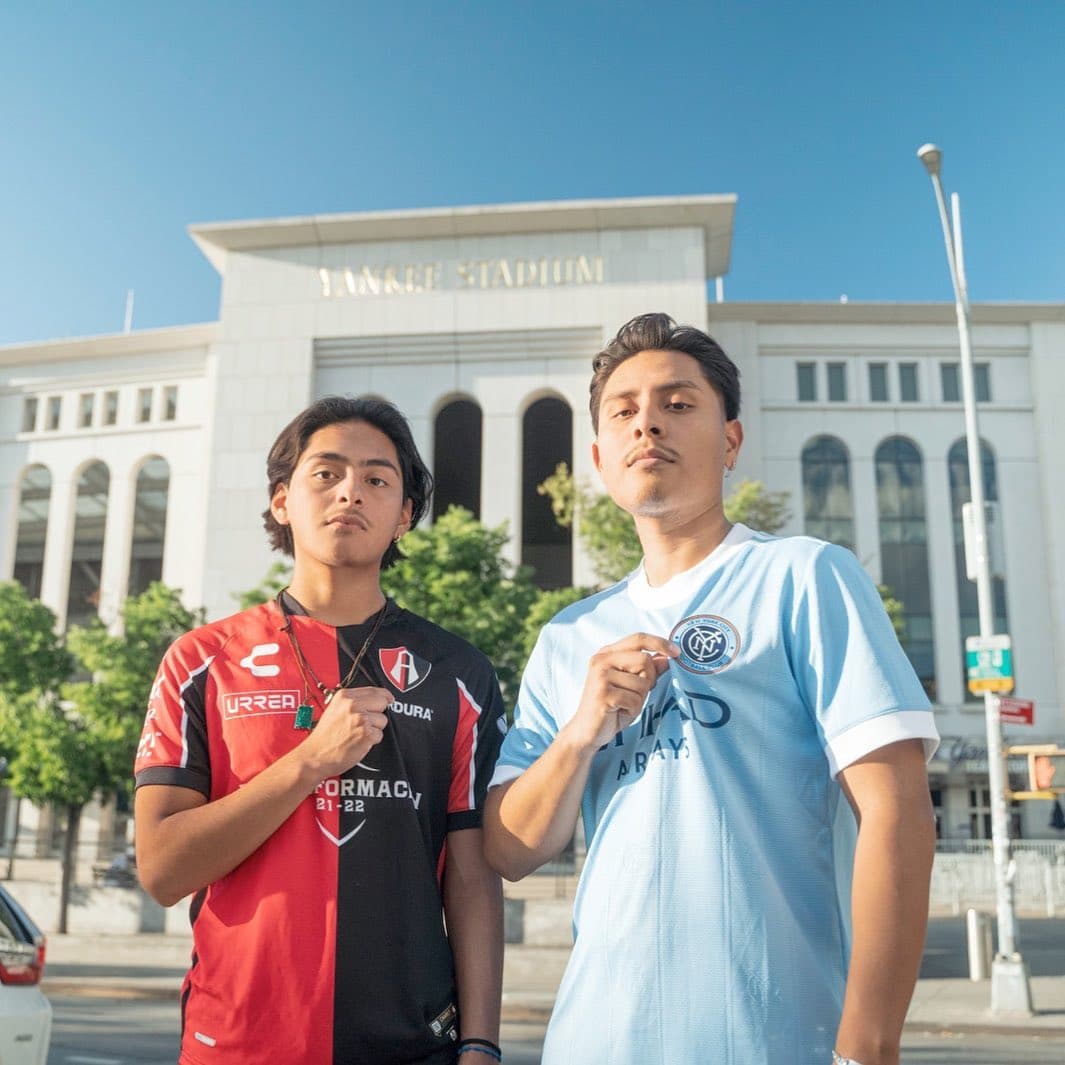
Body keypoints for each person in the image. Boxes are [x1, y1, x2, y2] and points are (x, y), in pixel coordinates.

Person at [483, 314, 940, 1065]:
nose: (647, 423)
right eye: (623, 411)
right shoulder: (569, 635)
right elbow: (507, 848)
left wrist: (867, 1046)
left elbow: (897, 808)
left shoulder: (803, 575)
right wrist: (580, 732)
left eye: (677, 403)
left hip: (776, 1038)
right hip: (594, 1040)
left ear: (730, 441)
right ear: (599, 459)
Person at [134, 396, 506, 1065]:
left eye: (376, 478)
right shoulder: (202, 661)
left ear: (405, 516)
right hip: (237, 1043)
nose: (349, 492)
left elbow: (473, 877)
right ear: (282, 500)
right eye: (326, 473)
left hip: (412, 1045)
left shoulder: (459, 672)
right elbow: (162, 870)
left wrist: (481, 1044)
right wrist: (309, 761)